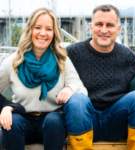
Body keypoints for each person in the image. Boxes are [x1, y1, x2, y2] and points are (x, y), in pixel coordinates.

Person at [63, 4, 135, 150]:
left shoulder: (130, 58)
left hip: (118, 121)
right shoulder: (71, 54)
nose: (104, 30)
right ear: (91, 27)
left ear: (118, 29)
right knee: (77, 99)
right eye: (99, 24)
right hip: (83, 119)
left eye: (110, 25)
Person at [0, 7, 87, 150]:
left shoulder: (62, 60)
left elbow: (81, 89)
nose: (42, 33)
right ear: (30, 30)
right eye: (38, 27)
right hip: (22, 122)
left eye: (48, 29)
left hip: (53, 126)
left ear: (54, 33)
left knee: (54, 119)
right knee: (12, 121)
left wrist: (70, 88)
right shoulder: (13, 61)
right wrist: (6, 107)